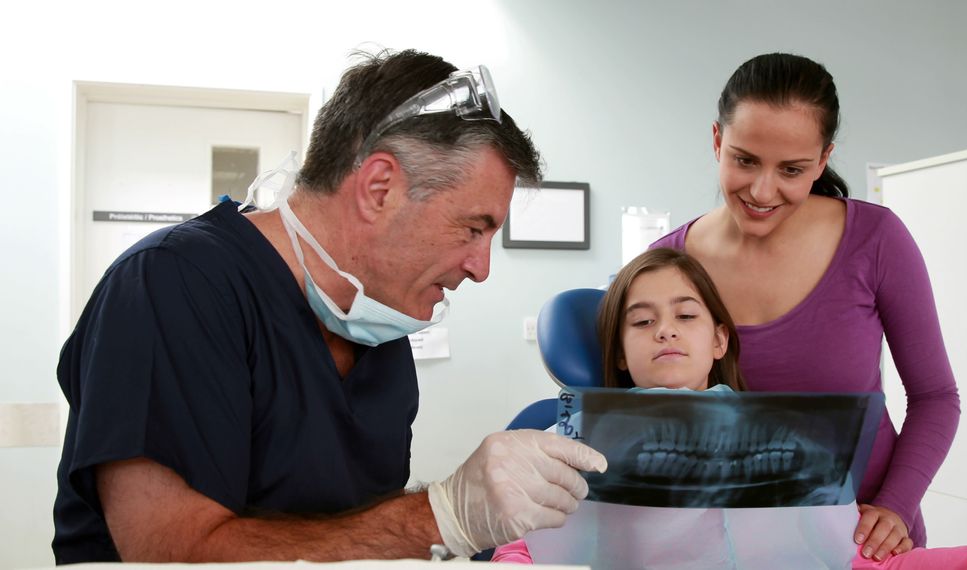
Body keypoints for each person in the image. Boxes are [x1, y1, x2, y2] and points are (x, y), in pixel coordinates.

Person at [52, 49, 607, 564]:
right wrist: (437, 518)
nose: (480, 268)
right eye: (471, 228)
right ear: (380, 187)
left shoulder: (379, 334)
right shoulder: (174, 285)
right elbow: (170, 554)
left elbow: (344, 535)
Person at [492, 248, 967, 569]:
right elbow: (522, 551)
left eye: (686, 315)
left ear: (719, 340)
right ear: (618, 353)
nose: (664, 331)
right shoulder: (572, 439)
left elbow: (850, 564)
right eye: (642, 321)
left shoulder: (785, 445)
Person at [650, 52, 960, 560]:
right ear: (716, 141)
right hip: (730, 549)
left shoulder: (877, 240)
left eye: (791, 169)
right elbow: (646, 412)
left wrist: (897, 507)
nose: (762, 190)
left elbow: (937, 397)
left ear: (822, 160)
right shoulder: (667, 263)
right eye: (744, 159)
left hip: (869, 543)